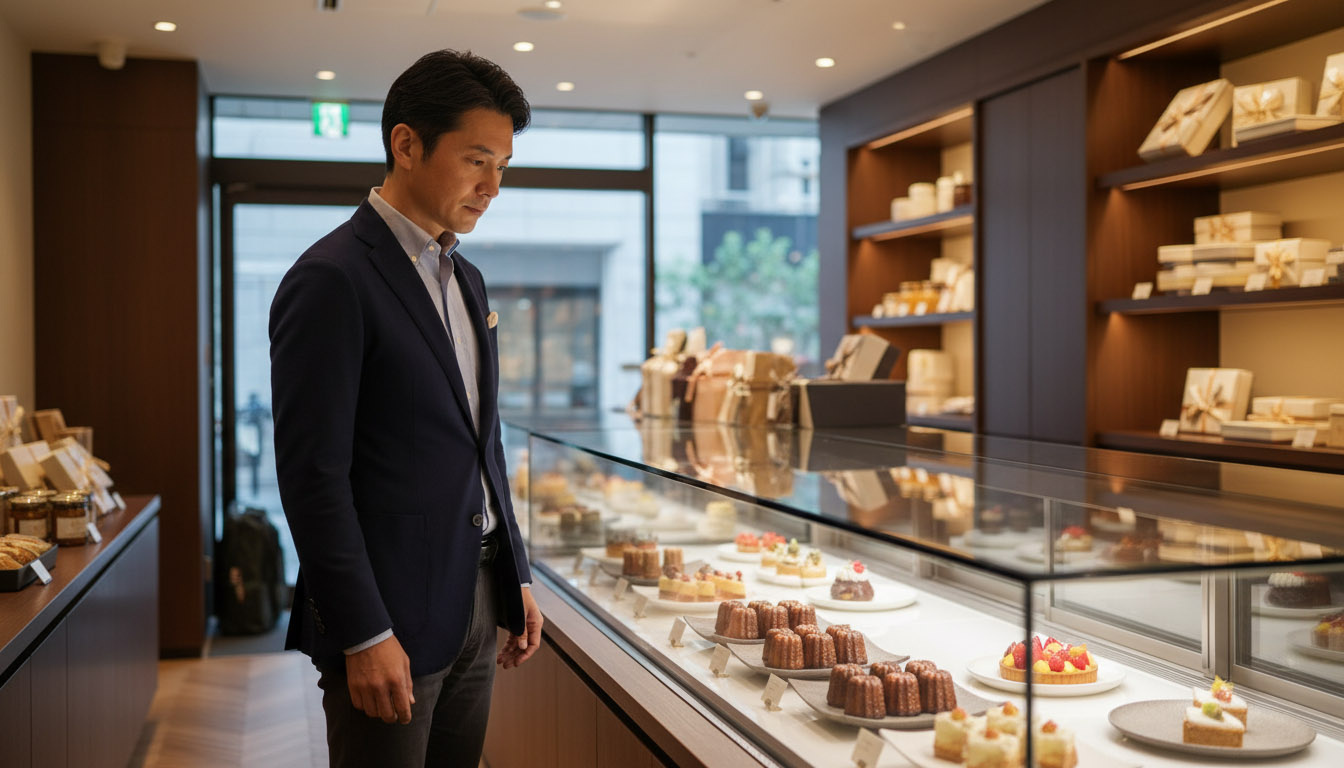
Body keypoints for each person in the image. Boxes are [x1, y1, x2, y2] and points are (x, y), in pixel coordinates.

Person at [268, 49, 542, 768]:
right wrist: (362, 631)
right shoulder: (331, 278)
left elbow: (484, 443)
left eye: (503, 166)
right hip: (387, 616)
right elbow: (312, 477)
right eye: (477, 161)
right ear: (407, 144)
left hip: (476, 601)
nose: (492, 187)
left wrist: (515, 575)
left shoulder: (467, 278)